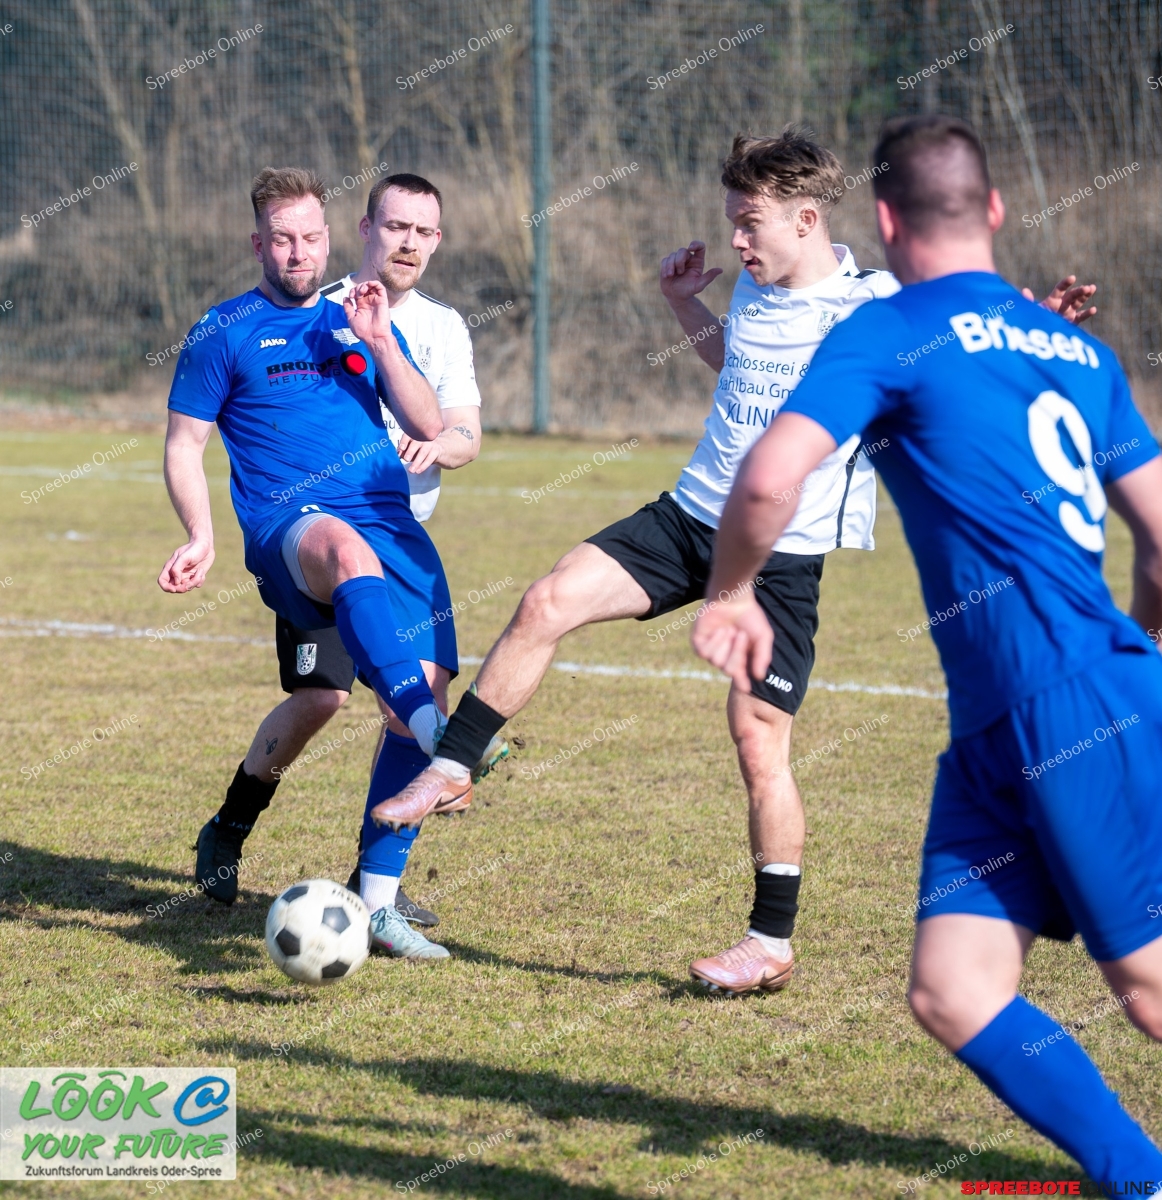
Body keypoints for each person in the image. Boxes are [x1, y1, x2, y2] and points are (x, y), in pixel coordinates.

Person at [368, 127, 1094, 995]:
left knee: (758, 742)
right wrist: (685, 307)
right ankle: (452, 769)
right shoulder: (755, 286)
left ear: (807, 219)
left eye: (750, 223)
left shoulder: (875, 306)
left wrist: (1039, 328)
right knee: (548, 599)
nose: (737, 240)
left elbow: (965, 349)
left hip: (781, 558)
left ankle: (769, 941)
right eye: (733, 222)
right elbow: (740, 367)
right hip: (688, 516)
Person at [692, 113, 1162, 1177]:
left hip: (1063, 706)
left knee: (1147, 992)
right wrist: (1137, 648)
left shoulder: (887, 330)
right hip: (1005, 726)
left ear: (886, 218)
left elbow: (767, 478)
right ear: (993, 208)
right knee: (953, 991)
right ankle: (1137, 1177)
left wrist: (730, 592)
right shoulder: (1079, 352)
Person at [160, 166, 460, 960]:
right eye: (283, 240)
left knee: (380, 694)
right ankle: (232, 826)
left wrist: (380, 339)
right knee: (331, 684)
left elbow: (430, 424)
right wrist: (200, 534)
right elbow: (184, 445)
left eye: (311, 238)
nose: (299, 253)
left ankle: (378, 902)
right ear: (258, 244)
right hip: (290, 528)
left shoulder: (355, 319)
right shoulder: (222, 330)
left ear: (331, 239)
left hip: (389, 525)